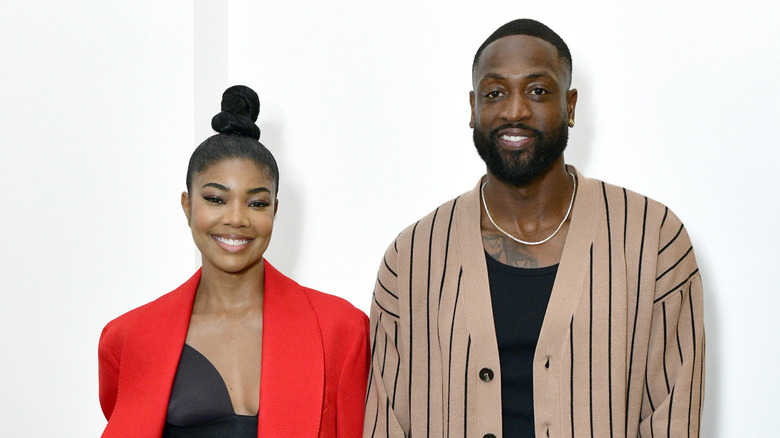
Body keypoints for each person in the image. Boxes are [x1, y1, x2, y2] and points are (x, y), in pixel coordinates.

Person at [363, 19, 704, 438]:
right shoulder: (411, 258)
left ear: (571, 105)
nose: (515, 110)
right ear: (473, 108)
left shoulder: (653, 241)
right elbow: (386, 423)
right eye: (495, 93)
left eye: (538, 91)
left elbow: (673, 418)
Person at [99, 85, 369, 437]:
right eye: (215, 199)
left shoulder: (342, 331)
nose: (237, 218)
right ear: (187, 206)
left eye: (256, 203)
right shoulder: (126, 339)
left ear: (275, 209)